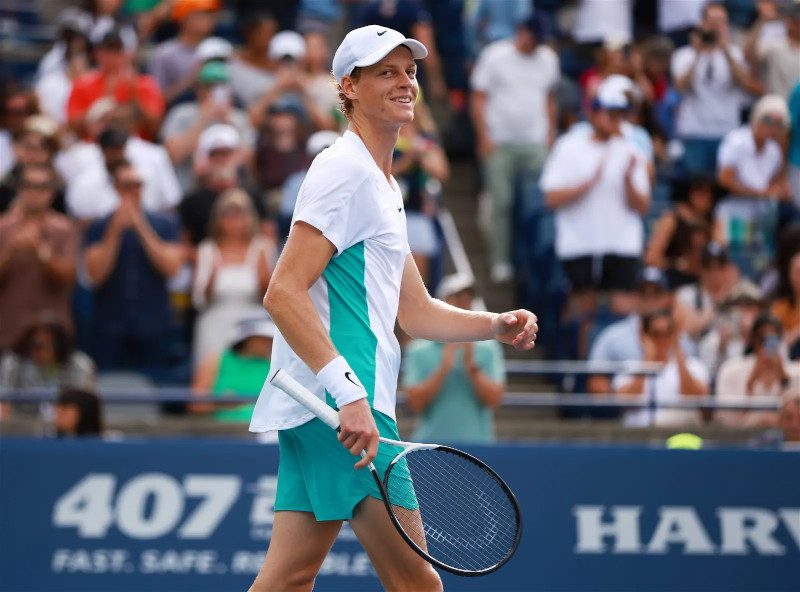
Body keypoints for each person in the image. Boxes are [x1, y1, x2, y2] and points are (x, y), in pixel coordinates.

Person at [246, 25, 537, 592]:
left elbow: (416, 313)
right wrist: (349, 392)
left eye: (409, 71)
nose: (405, 82)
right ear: (348, 87)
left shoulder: (382, 184)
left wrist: (493, 327)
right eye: (386, 72)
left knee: (286, 582)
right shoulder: (343, 171)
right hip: (346, 411)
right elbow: (282, 291)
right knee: (418, 587)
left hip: (328, 406)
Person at [540, 81, 651, 336]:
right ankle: (577, 370)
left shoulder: (631, 150)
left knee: (623, 306)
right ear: (594, 112)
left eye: (620, 114)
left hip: (620, 241)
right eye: (610, 113)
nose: (615, 120)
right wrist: (586, 184)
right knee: (582, 308)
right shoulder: (569, 146)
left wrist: (627, 180)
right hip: (580, 241)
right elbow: (550, 197)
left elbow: (642, 204)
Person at [470, 14, 560, 283]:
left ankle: (532, 261)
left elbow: (549, 99)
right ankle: (501, 260)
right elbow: (478, 97)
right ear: (521, 31)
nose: (536, 44)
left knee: (538, 205)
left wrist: (551, 135)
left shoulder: (548, 59)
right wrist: (483, 135)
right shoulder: (495, 55)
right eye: (533, 37)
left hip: (536, 143)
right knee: (503, 201)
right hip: (501, 142)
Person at [83, 160, 183, 374]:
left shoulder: (164, 223)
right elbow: (95, 275)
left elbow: (171, 268)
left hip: (153, 325)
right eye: (126, 185)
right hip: (109, 326)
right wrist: (115, 231)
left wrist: (140, 226)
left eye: (136, 184)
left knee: (154, 391)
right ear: (116, 187)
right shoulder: (99, 226)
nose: (132, 191)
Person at [403, 274, 505, 443]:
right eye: (457, 298)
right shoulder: (418, 349)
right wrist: (443, 369)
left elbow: (494, 401)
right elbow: (414, 403)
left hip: (479, 449)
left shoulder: (489, 348)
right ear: (440, 304)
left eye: (468, 299)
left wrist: (472, 368)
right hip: (430, 449)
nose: (465, 304)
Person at [671, 2, 760, 176]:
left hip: (727, 132)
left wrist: (725, 50)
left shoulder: (735, 54)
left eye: (721, 21)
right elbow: (680, 88)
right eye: (712, 21)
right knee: (696, 187)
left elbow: (745, 83)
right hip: (694, 132)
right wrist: (698, 53)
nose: (716, 26)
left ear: (727, 25)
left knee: (723, 189)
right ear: (701, 23)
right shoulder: (684, 55)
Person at [0, 164, 78, 351]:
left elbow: (69, 278)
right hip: (9, 331)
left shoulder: (64, 229)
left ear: (51, 192)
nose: (35, 193)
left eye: (41, 187)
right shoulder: (2, 228)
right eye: (29, 186)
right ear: (20, 190)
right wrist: (10, 251)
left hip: (53, 336)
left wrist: (41, 252)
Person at [191, 188, 274, 363]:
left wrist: (264, 277)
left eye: (241, 213)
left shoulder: (263, 247)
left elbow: (272, 297)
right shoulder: (207, 250)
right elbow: (198, 301)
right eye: (228, 213)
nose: (235, 220)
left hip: (251, 329)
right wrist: (212, 280)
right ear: (218, 218)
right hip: (214, 327)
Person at [161, 60, 256, 191]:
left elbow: (249, 162)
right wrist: (204, 118)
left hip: (231, 191)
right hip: (190, 192)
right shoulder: (181, 114)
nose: (214, 90)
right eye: (210, 85)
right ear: (199, 87)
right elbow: (172, 156)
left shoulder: (239, 118)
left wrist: (230, 123)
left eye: (220, 86)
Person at [613, 308, 710, 427]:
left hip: (677, 434)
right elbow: (626, 401)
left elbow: (696, 399)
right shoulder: (630, 367)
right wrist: (648, 359)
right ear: (645, 336)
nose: (662, 339)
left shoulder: (693, 365)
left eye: (668, 333)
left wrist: (677, 349)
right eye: (656, 334)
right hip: (638, 437)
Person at [66, 26, 164, 140]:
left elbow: (155, 125)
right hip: (93, 147)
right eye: (108, 50)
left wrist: (134, 95)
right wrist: (100, 110)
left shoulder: (144, 84)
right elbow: (71, 125)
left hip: (135, 145)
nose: (112, 56)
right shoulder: (82, 84)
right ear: (97, 53)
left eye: (117, 50)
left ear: (127, 54)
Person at [716, 313, 800, 427]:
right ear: (753, 339)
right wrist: (752, 381)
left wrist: (783, 377)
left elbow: (795, 414)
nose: (767, 343)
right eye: (762, 337)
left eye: (773, 337)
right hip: (742, 437)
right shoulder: (731, 369)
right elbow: (727, 419)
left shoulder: (796, 372)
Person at [191, 313, 275, 422]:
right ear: (246, 339)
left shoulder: (277, 363)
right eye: (261, 338)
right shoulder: (214, 362)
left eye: (270, 338)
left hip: (268, 432)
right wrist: (220, 403)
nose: (268, 342)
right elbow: (195, 405)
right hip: (225, 432)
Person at [645, 176, 722, 288]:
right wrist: (677, 264)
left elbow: (720, 255)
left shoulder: (714, 222)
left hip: (703, 282)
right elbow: (651, 258)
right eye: (699, 192)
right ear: (688, 194)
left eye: (708, 193)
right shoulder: (671, 219)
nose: (705, 198)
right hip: (672, 280)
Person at [0, 313, 96, 397]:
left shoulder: (79, 365)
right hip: (21, 416)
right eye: (37, 345)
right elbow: (4, 404)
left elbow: (84, 404)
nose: (43, 351)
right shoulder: (13, 364)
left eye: (49, 344)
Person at [149, 0, 219, 105]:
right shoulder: (165, 53)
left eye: (211, 14)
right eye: (202, 14)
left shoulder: (219, 49)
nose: (209, 19)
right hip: (178, 115)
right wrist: (192, 79)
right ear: (184, 18)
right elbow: (156, 101)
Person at [744, 1, 800, 99]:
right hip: (777, 109)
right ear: (789, 22)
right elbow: (749, 56)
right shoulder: (774, 45)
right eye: (796, 21)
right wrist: (762, 20)